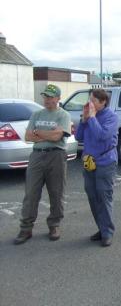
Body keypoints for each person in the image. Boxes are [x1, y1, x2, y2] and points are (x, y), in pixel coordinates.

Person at [14, 84, 72, 245]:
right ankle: (26, 228)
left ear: (58, 98)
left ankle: (54, 225)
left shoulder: (63, 115)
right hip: (37, 156)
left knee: (56, 192)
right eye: (45, 96)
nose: (47, 99)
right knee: (31, 193)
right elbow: (28, 137)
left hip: (56, 156)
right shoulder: (36, 114)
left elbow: (57, 138)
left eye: (50, 97)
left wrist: (39, 133)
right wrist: (49, 134)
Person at [75, 89, 119, 247]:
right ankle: (101, 228)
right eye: (90, 100)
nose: (90, 103)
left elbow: (102, 136)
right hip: (89, 161)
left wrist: (92, 118)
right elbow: (78, 137)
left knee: (103, 195)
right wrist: (84, 120)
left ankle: (107, 232)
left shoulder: (111, 117)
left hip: (105, 162)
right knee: (92, 196)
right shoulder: (89, 116)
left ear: (103, 102)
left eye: (94, 101)